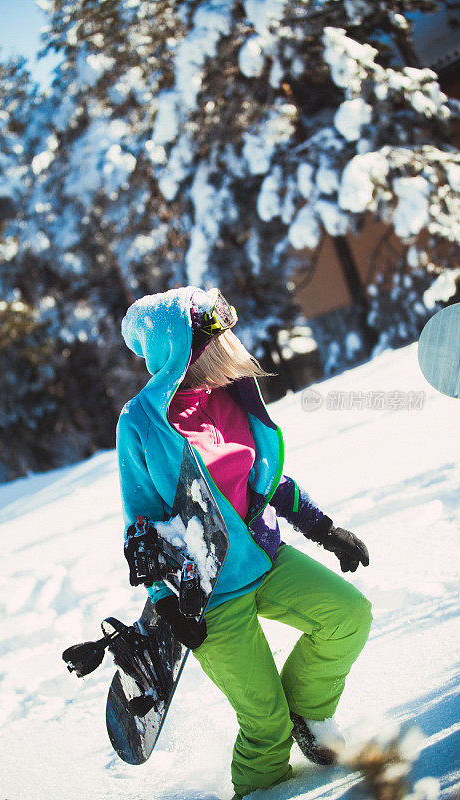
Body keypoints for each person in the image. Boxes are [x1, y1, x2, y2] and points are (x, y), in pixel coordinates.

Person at [117, 286, 372, 800]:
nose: (228, 347)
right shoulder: (141, 423)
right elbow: (142, 525)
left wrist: (322, 528)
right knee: (265, 727)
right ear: (179, 351)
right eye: (213, 340)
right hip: (210, 596)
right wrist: (168, 607)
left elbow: (265, 479)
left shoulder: (227, 396)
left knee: (348, 616)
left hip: (266, 560)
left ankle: (309, 711)